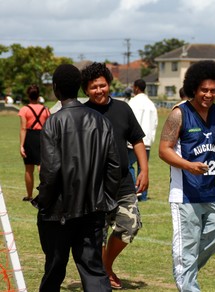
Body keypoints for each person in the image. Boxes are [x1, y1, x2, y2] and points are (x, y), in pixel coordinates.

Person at [33, 64, 121, 292]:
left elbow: (50, 171)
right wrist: (106, 201)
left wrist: (43, 202)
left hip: (59, 212)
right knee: (94, 271)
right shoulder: (102, 121)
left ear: (55, 89)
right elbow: (114, 166)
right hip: (93, 209)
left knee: (54, 269)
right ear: (80, 88)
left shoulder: (53, 121)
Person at [159, 60, 215, 291]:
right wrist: (188, 166)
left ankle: (185, 267)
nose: (209, 94)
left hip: (213, 190)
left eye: (213, 90)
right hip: (186, 192)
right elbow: (163, 150)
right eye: (204, 90)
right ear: (194, 88)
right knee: (188, 243)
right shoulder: (179, 114)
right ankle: (188, 282)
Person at [81, 62, 148, 289]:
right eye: (93, 87)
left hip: (123, 183)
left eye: (102, 85)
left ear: (108, 85)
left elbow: (137, 139)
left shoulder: (123, 108)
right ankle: (103, 273)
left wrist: (144, 170)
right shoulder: (82, 114)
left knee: (131, 225)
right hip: (93, 187)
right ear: (86, 90)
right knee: (97, 234)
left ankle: (106, 266)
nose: (99, 90)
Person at [18, 84, 50, 201]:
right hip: (42, 137)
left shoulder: (24, 109)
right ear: (38, 95)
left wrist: (21, 145)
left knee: (28, 169)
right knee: (42, 167)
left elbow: (23, 128)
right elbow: (48, 126)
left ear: (28, 95)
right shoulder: (45, 109)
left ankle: (30, 195)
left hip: (29, 138)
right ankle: (45, 194)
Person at [128, 79, 158, 201]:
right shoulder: (151, 104)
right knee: (143, 167)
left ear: (136, 88)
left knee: (129, 165)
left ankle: (133, 192)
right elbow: (155, 123)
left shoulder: (133, 102)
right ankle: (143, 195)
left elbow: (128, 120)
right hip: (146, 141)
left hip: (133, 141)